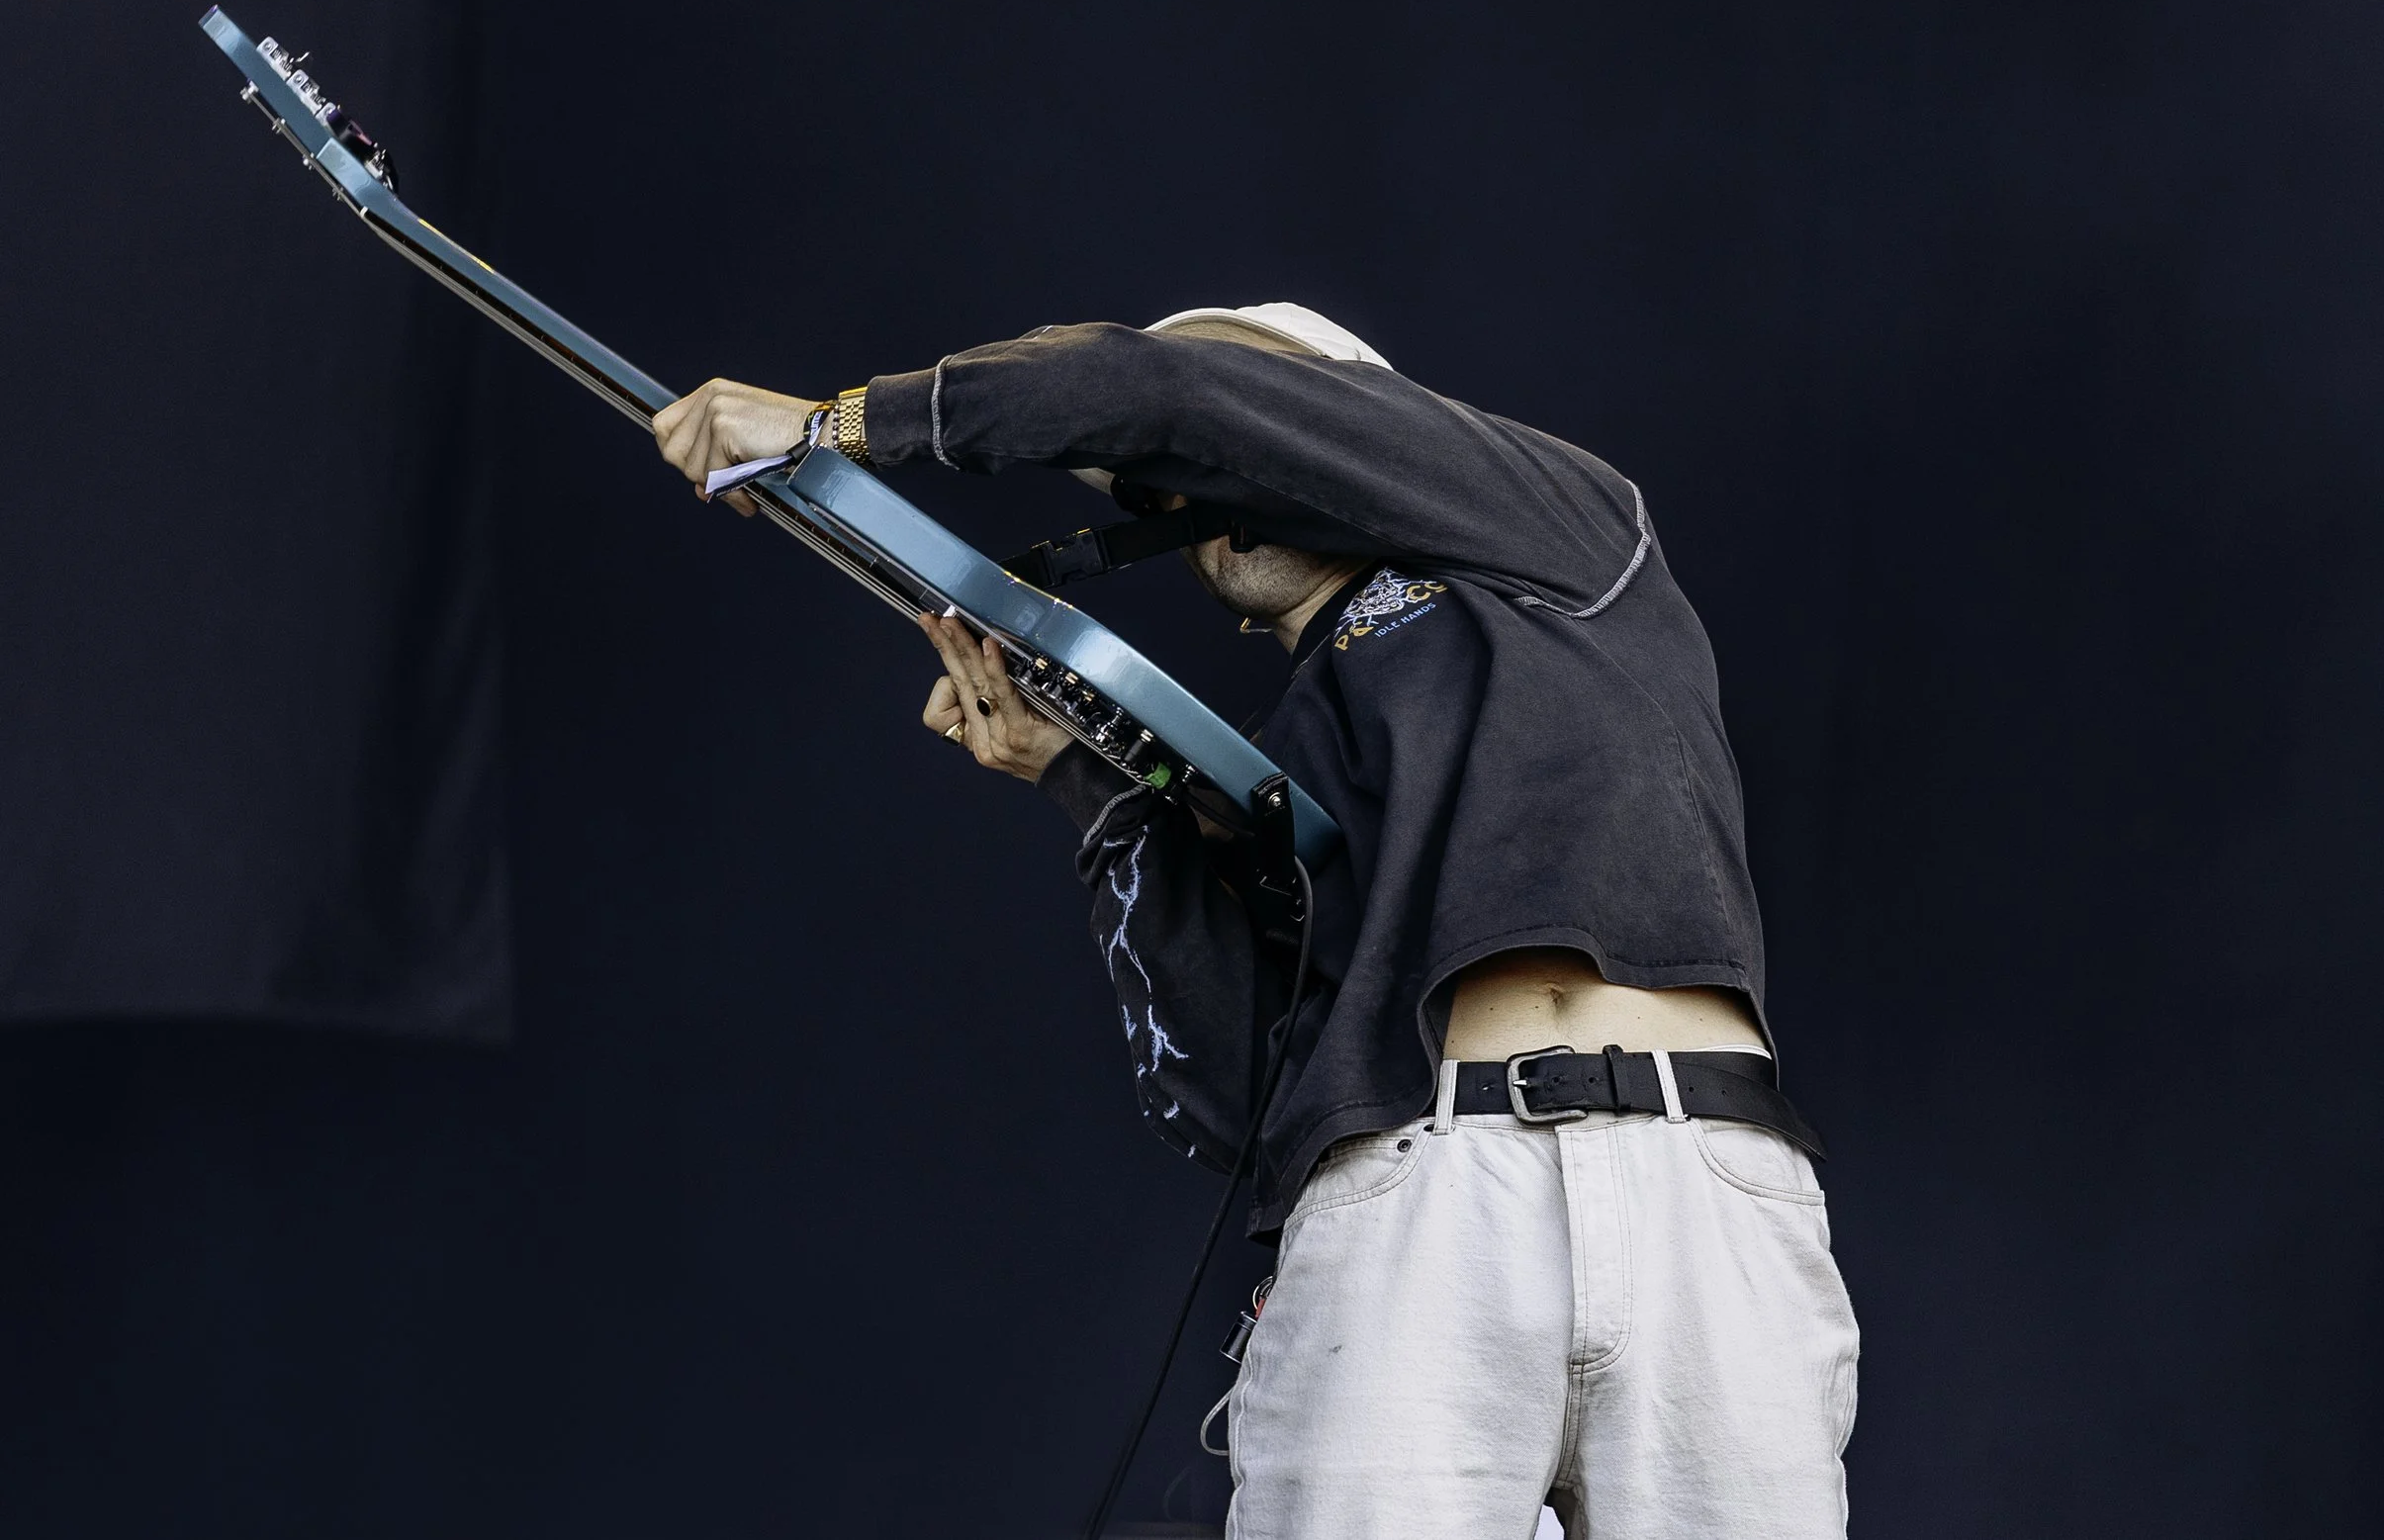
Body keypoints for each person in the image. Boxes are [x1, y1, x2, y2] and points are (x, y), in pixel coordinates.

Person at [649, 305, 1859, 1539]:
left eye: (1230, 427)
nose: (1185, 486)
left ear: (1353, 423)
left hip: (1699, 1176)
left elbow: (1174, 395)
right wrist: (1086, 789)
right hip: (1408, 1203)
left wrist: (838, 423)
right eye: (1157, 488)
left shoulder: (1560, 531)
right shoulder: (1274, 764)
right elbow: (1235, 1096)